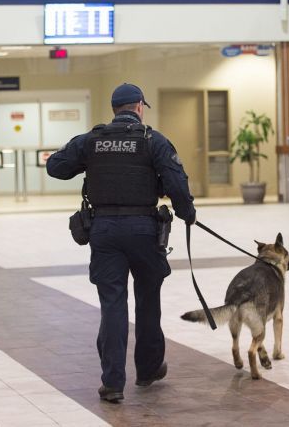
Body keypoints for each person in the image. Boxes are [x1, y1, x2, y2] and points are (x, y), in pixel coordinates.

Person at [46, 83, 196, 403]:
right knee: (147, 299)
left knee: (112, 304)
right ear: (139, 107)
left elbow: (56, 167)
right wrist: (187, 213)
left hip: (104, 231)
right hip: (144, 230)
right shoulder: (153, 141)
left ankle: (113, 382)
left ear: (115, 109)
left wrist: (86, 158)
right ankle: (148, 368)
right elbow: (176, 183)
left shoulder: (92, 140)